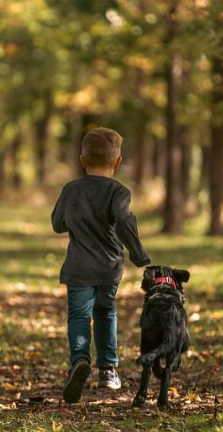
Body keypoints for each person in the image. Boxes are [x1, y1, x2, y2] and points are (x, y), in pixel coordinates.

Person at [51, 127, 152, 404]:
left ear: (82, 160)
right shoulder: (119, 191)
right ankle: (108, 370)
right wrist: (140, 255)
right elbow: (123, 222)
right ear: (117, 163)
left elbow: (57, 224)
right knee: (106, 312)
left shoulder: (71, 189)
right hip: (109, 268)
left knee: (79, 316)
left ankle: (79, 362)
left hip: (78, 268)